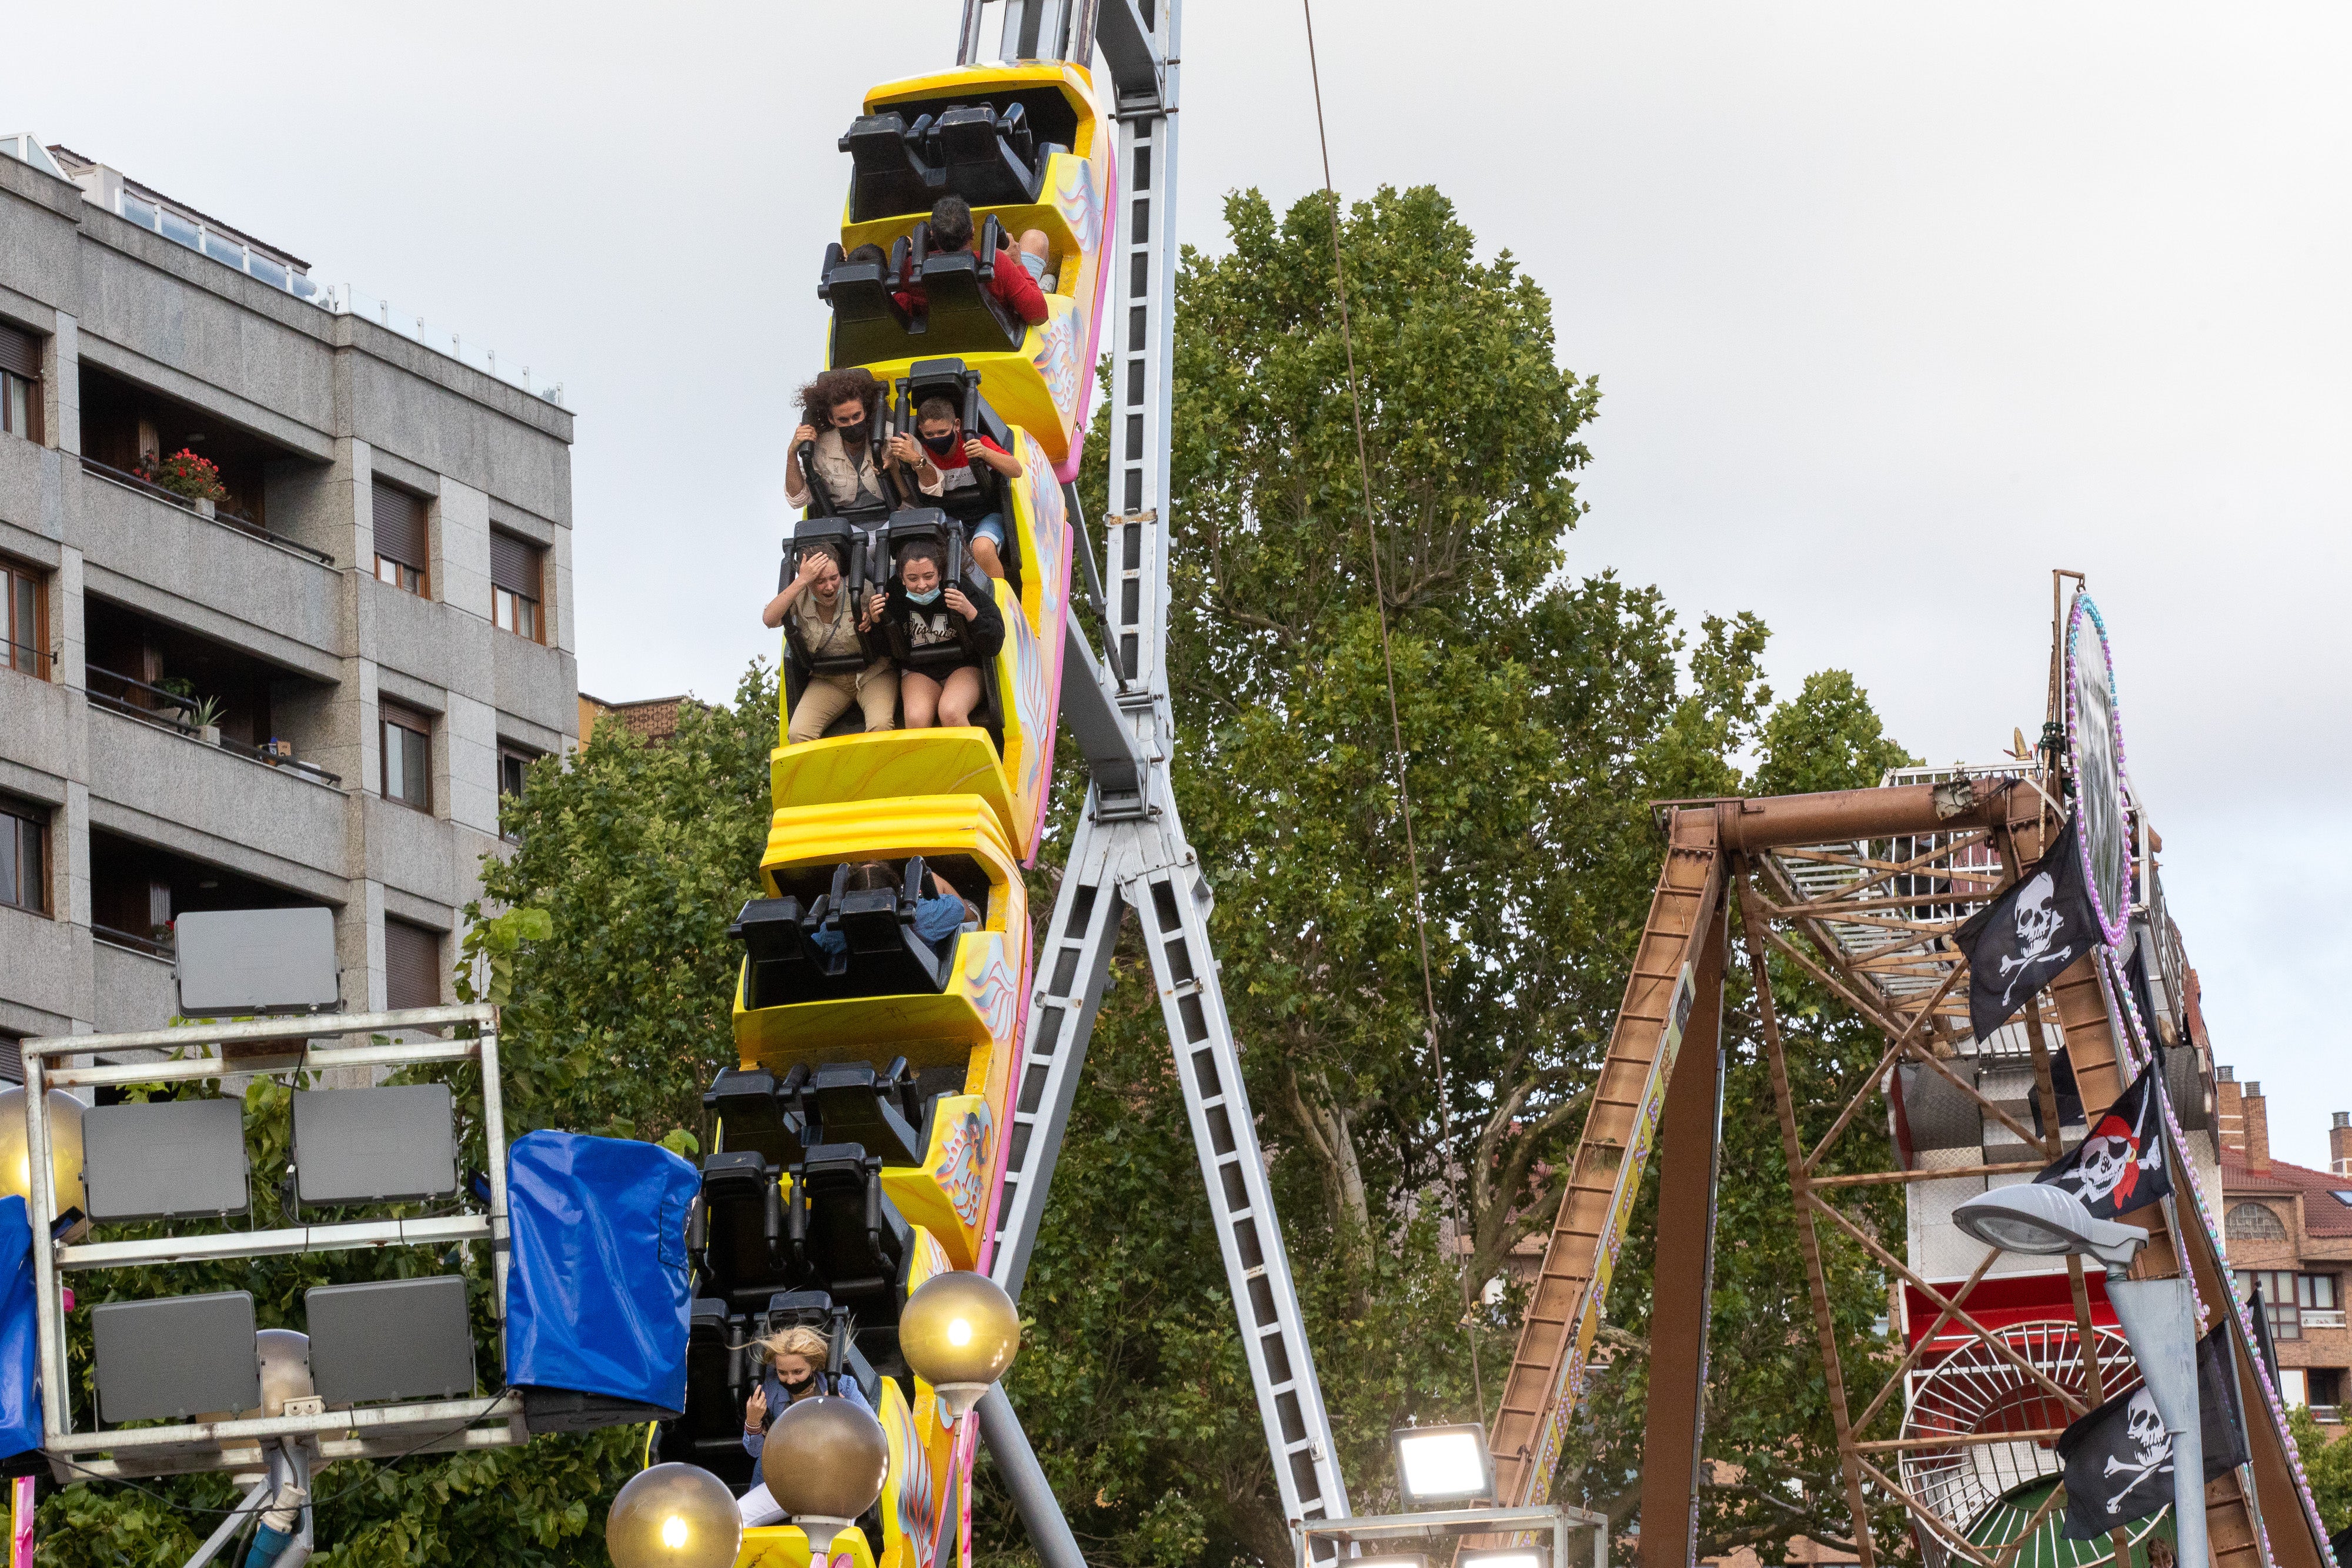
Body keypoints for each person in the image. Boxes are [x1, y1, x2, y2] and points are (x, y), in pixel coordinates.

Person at [735, 1325, 877, 1527]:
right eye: (782, 1372)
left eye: (798, 1372)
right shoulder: (769, 1392)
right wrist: (753, 1422)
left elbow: (877, 1437)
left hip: (836, 1479)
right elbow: (755, 1451)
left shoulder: (845, 1386)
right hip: (788, 1481)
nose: (790, 1380)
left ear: (814, 1365)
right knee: (737, 1519)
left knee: (833, 1533)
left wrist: (846, 1415)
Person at [764, 544, 896, 743]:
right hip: (830, 680)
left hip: (872, 674)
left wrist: (873, 621)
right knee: (799, 733)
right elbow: (770, 619)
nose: (829, 587)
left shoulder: (859, 590)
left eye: (833, 578)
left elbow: (887, 626)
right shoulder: (799, 596)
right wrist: (801, 581)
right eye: (819, 581)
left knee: (881, 725)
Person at [868, 540, 1004, 729]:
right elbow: (883, 651)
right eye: (913, 578)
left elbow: (993, 643)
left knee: (951, 712)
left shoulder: (960, 589)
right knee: (916, 719)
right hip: (919, 669)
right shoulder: (894, 595)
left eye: (929, 576)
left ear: (940, 573)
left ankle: (975, 759)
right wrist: (876, 623)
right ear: (902, 577)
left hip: (963, 666)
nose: (922, 585)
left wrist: (970, 612)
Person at [786, 367, 941, 517]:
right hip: (843, 526)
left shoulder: (893, 436)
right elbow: (797, 499)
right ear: (831, 419)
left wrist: (914, 459)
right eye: (843, 420)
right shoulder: (821, 446)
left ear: (865, 412)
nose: (852, 423)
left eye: (856, 416)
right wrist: (792, 453)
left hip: (894, 519)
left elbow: (935, 488)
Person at [904, 394, 1021, 581]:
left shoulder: (975, 442)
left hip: (987, 514)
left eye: (942, 432)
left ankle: (1001, 602)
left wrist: (985, 452)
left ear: (956, 425)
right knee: (950, 553)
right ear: (921, 431)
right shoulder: (922, 451)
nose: (937, 439)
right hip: (951, 518)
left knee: (982, 549)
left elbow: (1016, 469)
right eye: (930, 435)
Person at [894, 195, 1052, 326]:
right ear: (973, 232)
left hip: (947, 335)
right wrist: (1017, 262)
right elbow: (1038, 316)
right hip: (1001, 332)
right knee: (1036, 239)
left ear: (933, 235)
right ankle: (1038, 290)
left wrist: (921, 253)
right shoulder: (998, 263)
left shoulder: (913, 269)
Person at [810, 861, 980, 962]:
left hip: (865, 987)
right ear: (897, 892)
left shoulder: (832, 932)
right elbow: (960, 909)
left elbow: (814, 941)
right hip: (921, 980)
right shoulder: (924, 915)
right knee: (967, 906)